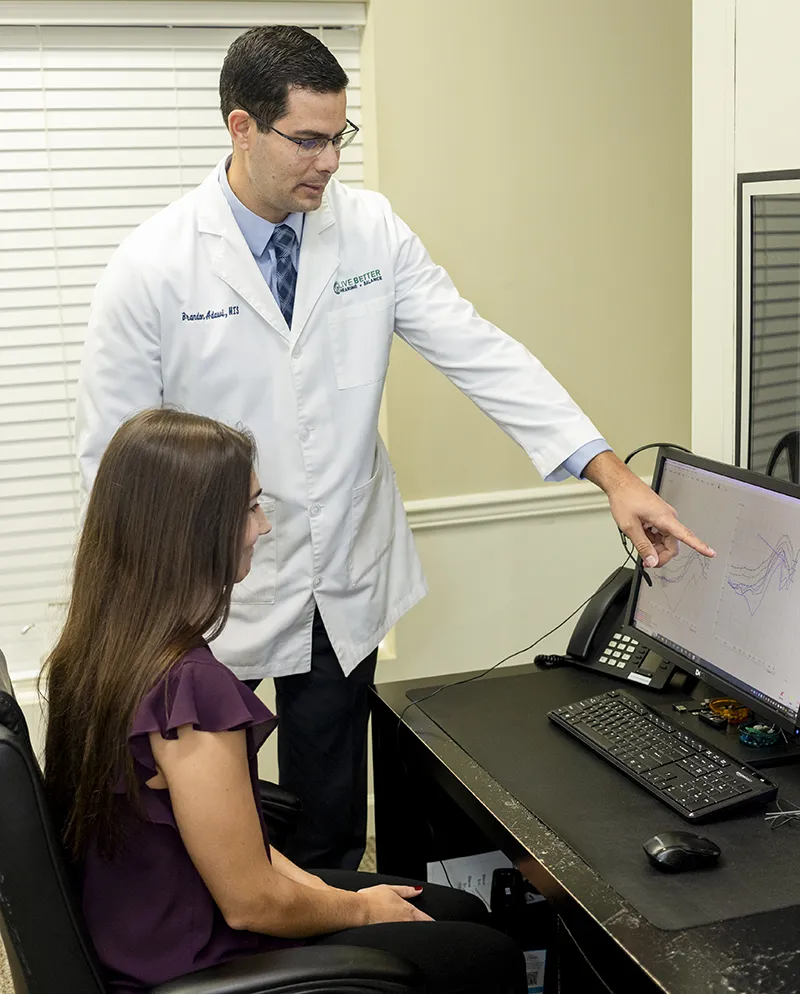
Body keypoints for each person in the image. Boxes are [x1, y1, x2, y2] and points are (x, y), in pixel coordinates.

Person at [75, 25, 714, 873]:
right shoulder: (153, 267)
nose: (329, 161)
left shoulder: (370, 231)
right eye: (305, 139)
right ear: (240, 128)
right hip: (211, 588)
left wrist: (608, 473)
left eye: (339, 137)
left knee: (331, 818)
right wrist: (134, 625)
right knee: (198, 825)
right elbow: (113, 464)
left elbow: (477, 349)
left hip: (342, 571)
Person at [42, 408, 527, 994]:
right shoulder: (185, 687)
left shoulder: (102, 648)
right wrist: (363, 910)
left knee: (451, 909)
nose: (264, 526)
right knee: (488, 952)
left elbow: (246, 852)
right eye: (249, 507)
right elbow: (252, 905)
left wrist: (330, 894)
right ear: (193, 529)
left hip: (143, 925)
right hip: (192, 961)